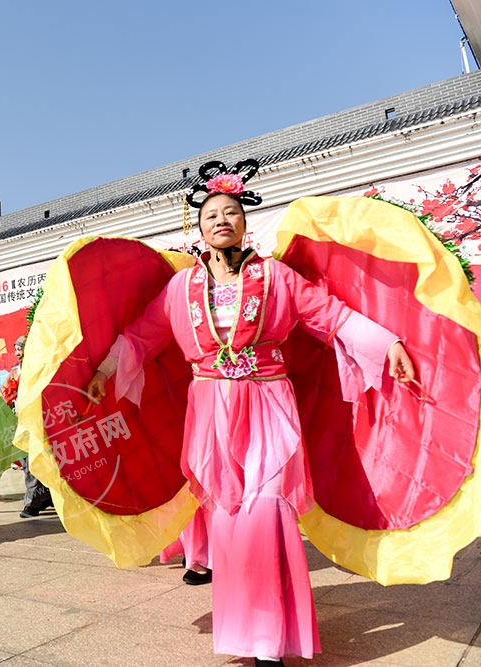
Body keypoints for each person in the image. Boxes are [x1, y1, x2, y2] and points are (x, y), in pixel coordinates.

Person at [87, 160, 415, 667]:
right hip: (211, 411)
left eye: (231, 212)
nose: (221, 220)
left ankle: (272, 640)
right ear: (197, 229)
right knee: (228, 519)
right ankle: (245, 635)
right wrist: (105, 371)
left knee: (267, 513)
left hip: (267, 404)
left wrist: (386, 341)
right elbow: (142, 336)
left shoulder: (277, 277)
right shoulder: (181, 290)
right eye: (211, 214)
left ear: (245, 223)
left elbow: (330, 315)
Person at [8, 336, 53, 519]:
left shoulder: (38, 368)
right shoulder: (14, 372)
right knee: (28, 463)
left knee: (40, 461)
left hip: (39, 420)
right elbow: (6, 393)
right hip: (21, 422)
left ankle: (35, 503)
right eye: (16, 349)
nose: (18, 353)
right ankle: (40, 500)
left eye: (21, 348)